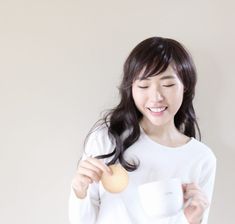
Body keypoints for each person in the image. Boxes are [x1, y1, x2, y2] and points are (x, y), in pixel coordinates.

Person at [68, 36, 217, 224]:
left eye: (168, 84)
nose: (156, 97)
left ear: (185, 86)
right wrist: (79, 191)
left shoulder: (201, 158)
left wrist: (192, 220)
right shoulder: (107, 139)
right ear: (131, 89)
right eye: (144, 85)